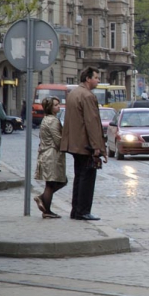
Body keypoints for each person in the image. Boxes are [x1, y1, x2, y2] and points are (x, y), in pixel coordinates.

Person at [60, 67, 105, 221]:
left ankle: (76, 210)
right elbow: (91, 123)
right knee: (87, 178)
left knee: (79, 176)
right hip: (85, 145)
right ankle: (83, 211)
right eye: (96, 78)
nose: (98, 80)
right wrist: (96, 146)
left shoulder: (73, 93)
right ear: (88, 78)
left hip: (74, 144)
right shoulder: (87, 96)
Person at [34, 96, 67, 219]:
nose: (58, 106)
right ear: (50, 108)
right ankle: (46, 209)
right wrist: (65, 146)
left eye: (58, 104)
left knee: (54, 182)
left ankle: (43, 201)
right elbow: (57, 139)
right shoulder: (52, 120)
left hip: (47, 153)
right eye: (56, 105)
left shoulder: (46, 119)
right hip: (51, 154)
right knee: (51, 183)